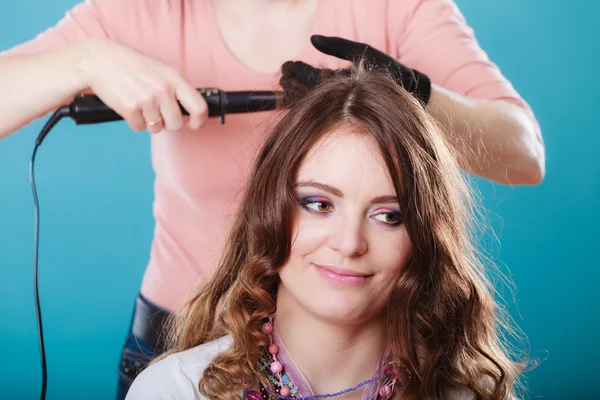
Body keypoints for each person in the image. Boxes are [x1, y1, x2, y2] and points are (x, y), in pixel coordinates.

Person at [0, 0, 544, 398]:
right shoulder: (148, 12)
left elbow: (525, 153)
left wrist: (411, 92)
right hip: (180, 330)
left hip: (360, 350)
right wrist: (87, 62)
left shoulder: (395, 8)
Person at [125, 64, 530, 400]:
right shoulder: (175, 391)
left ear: (423, 236)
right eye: (319, 205)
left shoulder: (472, 394)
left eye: (389, 215)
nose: (350, 244)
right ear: (269, 211)